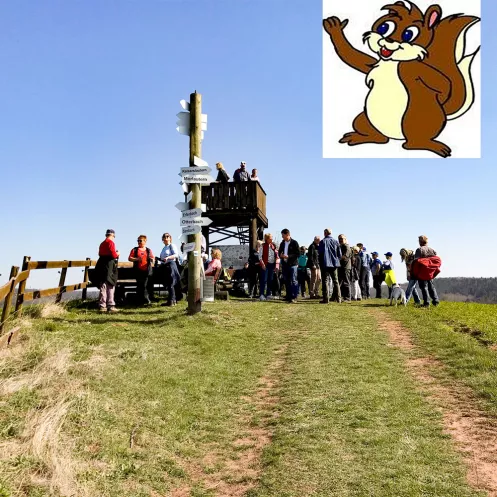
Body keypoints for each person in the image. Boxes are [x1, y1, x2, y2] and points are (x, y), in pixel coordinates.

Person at [95, 229, 120, 312]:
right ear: (113, 235)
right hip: (109, 265)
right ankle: (110, 304)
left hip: (101, 264)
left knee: (103, 284)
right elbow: (113, 255)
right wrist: (118, 254)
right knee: (110, 283)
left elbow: (99, 254)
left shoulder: (102, 243)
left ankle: (102, 305)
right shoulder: (111, 243)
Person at [413, 235, 440, 307]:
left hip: (422, 271)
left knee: (423, 287)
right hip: (430, 271)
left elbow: (416, 261)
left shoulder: (419, 250)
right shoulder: (432, 250)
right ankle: (435, 301)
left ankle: (426, 303)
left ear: (420, 242)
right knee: (431, 286)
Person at [128, 235, 155, 305]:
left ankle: (145, 300)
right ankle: (142, 300)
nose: (139, 242)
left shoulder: (148, 250)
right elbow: (129, 258)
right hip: (138, 270)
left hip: (147, 271)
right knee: (140, 285)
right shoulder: (135, 249)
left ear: (145, 241)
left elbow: (153, 259)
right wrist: (137, 259)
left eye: (140, 240)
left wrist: (152, 259)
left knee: (145, 285)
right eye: (138, 240)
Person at [318, 228, 342, 304]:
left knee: (325, 281)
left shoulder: (322, 242)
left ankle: (326, 299)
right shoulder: (336, 242)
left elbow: (320, 254)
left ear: (325, 233)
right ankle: (339, 299)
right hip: (334, 264)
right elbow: (339, 254)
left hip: (325, 264)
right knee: (336, 281)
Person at [278, 228, 300, 303]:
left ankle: (294, 296)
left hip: (293, 265)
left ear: (287, 234)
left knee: (293, 280)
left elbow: (298, 254)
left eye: (283, 235)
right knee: (286, 281)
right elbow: (279, 252)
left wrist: (288, 256)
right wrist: (280, 255)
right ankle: (288, 296)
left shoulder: (294, 243)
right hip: (285, 265)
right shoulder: (282, 243)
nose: (282, 237)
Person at [159, 233, 180, 307]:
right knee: (168, 283)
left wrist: (168, 258)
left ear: (170, 238)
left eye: (167, 236)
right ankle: (171, 300)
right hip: (165, 265)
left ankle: (172, 300)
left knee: (171, 282)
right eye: (164, 237)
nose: (166, 238)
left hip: (171, 265)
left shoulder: (172, 245)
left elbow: (176, 255)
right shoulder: (164, 248)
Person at [259, 233, 280, 300]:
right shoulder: (263, 246)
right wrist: (262, 264)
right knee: (263, 280)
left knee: (270, 280)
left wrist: (276, 263)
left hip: (272, 265)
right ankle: (261, 294)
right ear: (267, 239)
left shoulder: (273, 245)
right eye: (270, 238)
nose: (272, 239)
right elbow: (260, 257)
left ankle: (268, 294)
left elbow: (276, 254)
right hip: (266, 264)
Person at [338, 234, 352, 301]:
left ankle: (347, 297)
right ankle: (337, 297)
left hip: (345, 267)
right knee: (339, 282)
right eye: (339, 238)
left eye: (342, 238)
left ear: (345, 239)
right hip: (341, 266)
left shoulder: (346, 247)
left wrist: (337, 259)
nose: (340, 240)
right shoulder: (340, 246)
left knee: (346, 282)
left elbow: (345, 257)